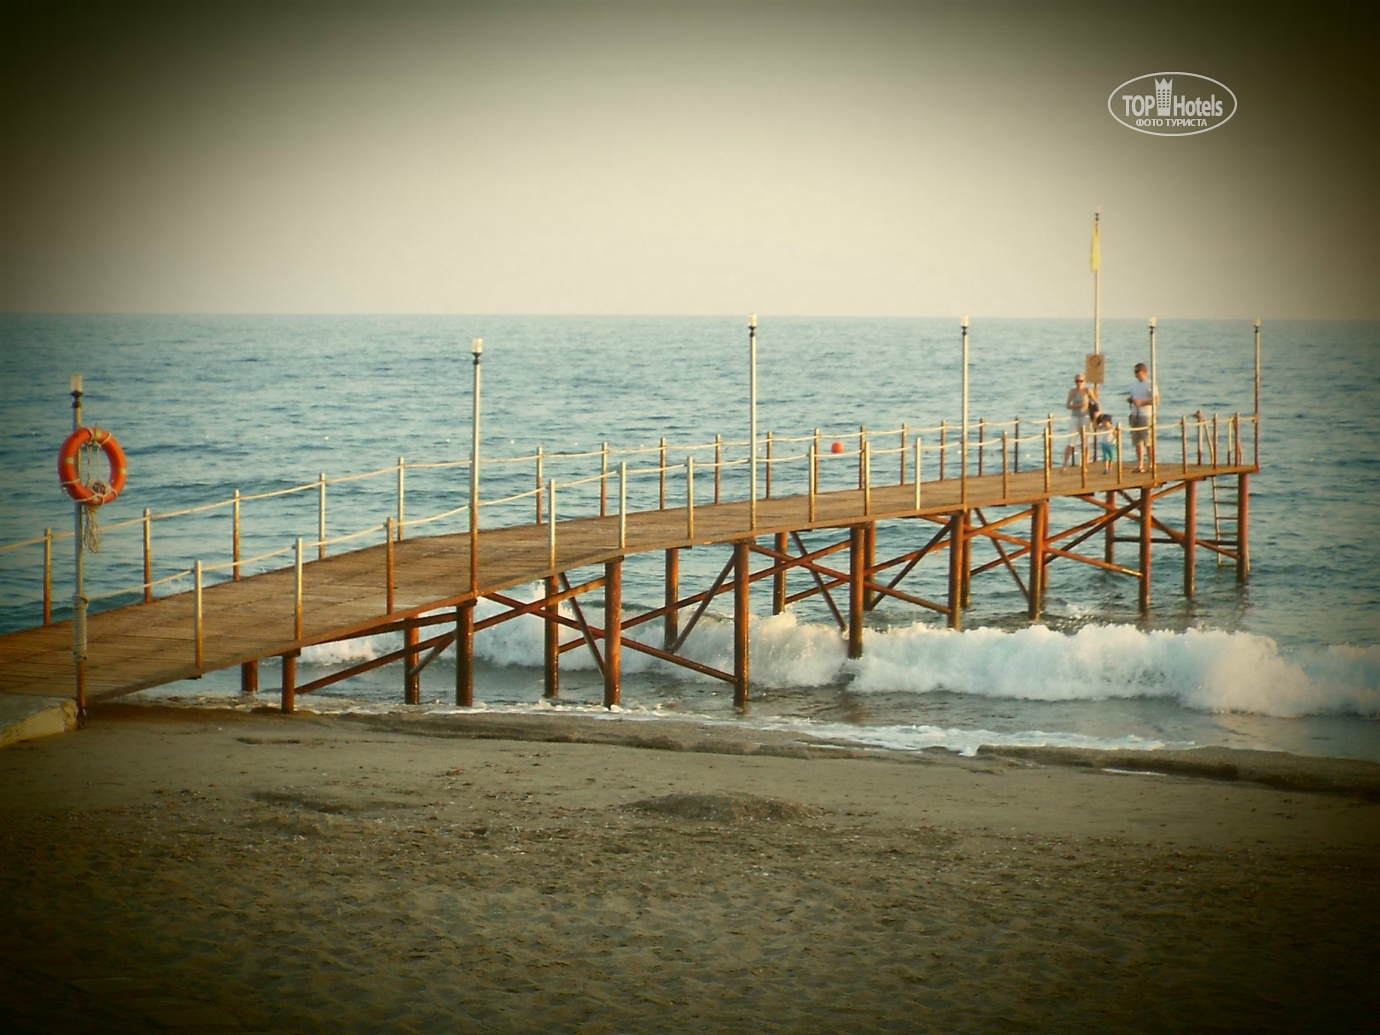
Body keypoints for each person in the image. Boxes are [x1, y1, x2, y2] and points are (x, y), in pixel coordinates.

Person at [1126, 363, 1158, 472]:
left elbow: (1156, 400)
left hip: (1146, 415)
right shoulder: (1134, 384)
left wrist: (1142, 403)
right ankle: (1140, 464)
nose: (1135, 374)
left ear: (1143, 372)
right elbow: (1133, 396)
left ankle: (1151, 464)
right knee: (1137, 440)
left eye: (1137, 371)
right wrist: (1131, 400)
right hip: (1135, 414)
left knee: (1148, 440)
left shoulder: (1150, 384)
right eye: (1134, 372)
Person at [1062, 373, 1095, 466]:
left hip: (1085, 417)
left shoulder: (1088, 391)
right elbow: (1068, 405)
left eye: (1081, 381)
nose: (1079, 383)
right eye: (1077, 381)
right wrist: (1079, 405)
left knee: (1086, 442)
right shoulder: (1072, 392)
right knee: (1070, 441)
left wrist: (1097, 415)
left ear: (1084, 381)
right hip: (1075, 417)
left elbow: (1096, 402)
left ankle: (1085, 464)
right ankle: (1064, 464)